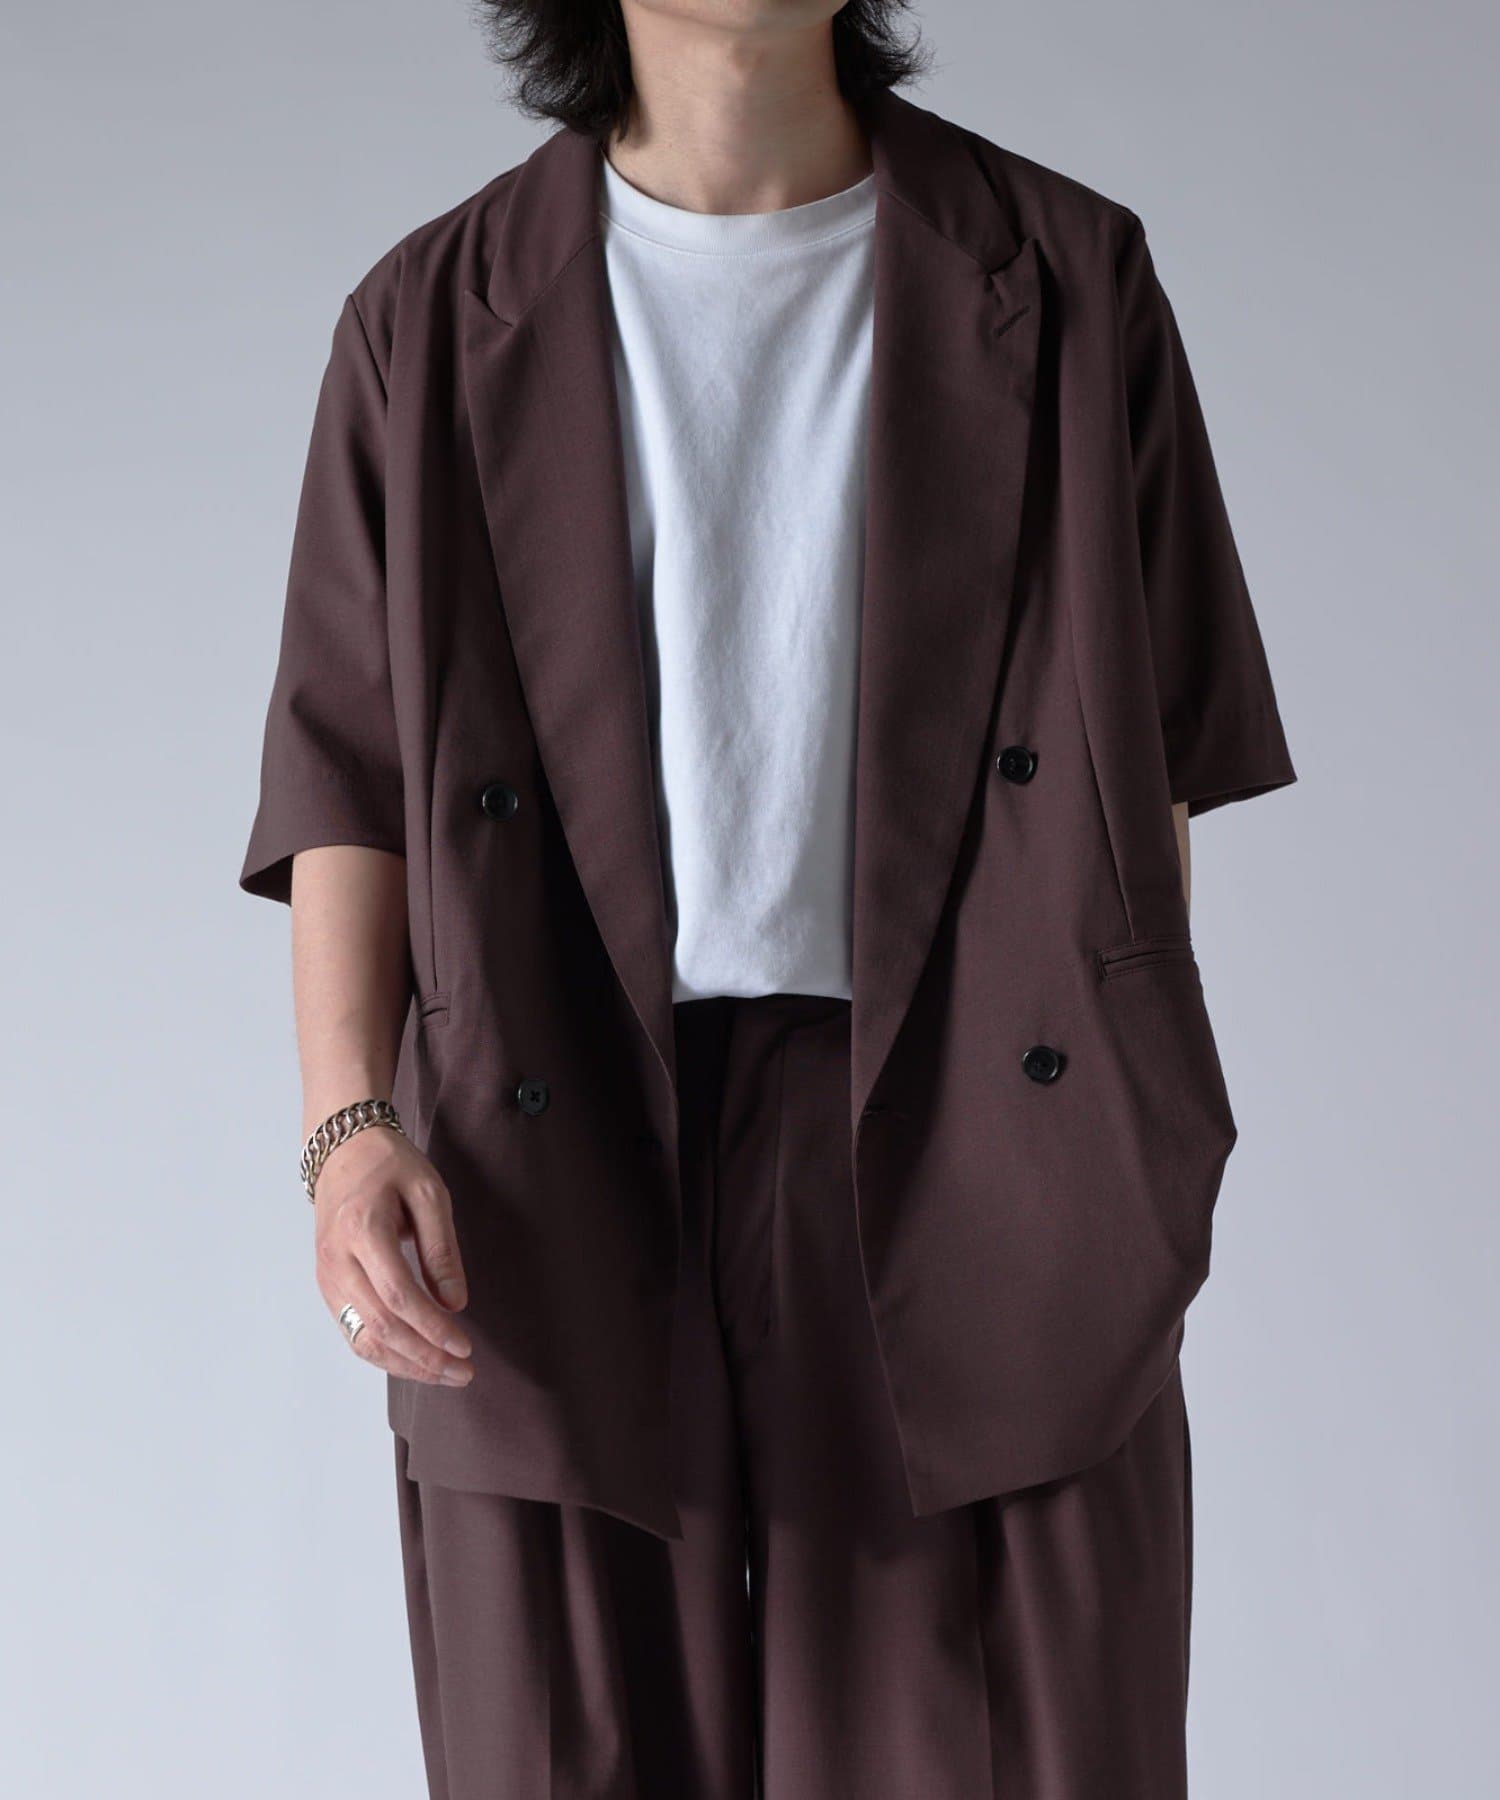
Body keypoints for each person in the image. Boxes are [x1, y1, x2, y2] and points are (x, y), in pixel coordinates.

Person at [240, 1, 1296, 1793]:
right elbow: (348, 776)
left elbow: (1159, 756)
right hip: (553, 1117)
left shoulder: (1068, 277)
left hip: (969, 1114)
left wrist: (1119, 1113)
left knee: (1014, 1747)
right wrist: (348, 1129)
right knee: (566, 1749)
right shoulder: (425, 318)